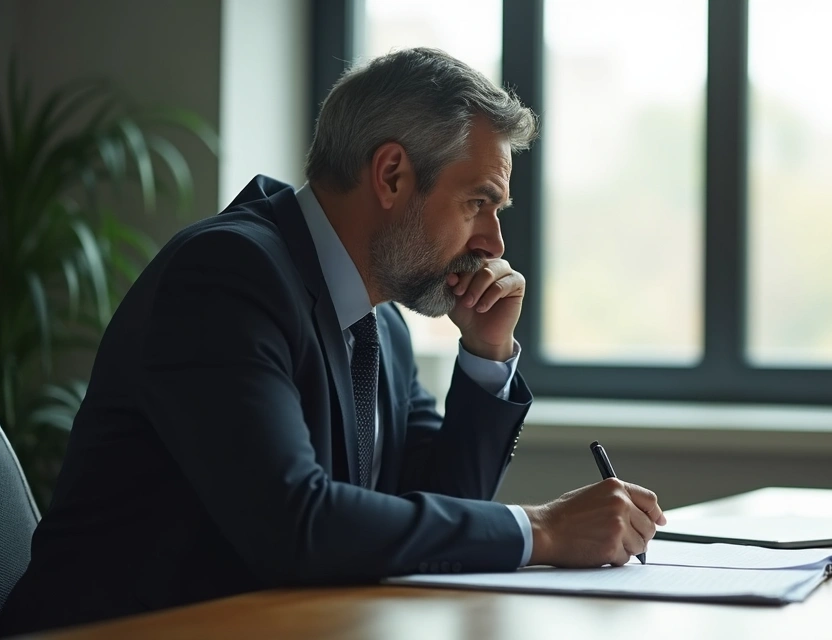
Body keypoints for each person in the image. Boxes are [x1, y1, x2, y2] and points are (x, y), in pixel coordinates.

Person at [0, 48, 666, 636]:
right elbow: (295, 523)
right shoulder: (228, 277)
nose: (494, 243)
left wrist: (486, 355)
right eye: (477, 203)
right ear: (392, 175)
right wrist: (542, 531)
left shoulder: (382, 326)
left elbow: (441, 511)